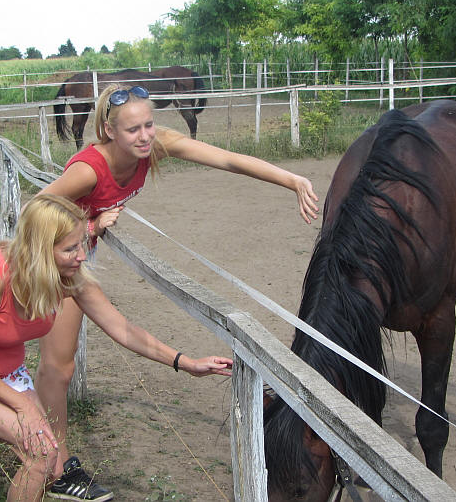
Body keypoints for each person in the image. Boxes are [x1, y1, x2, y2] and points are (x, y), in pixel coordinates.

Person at [35, 83, 322, 491]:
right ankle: (56, 467)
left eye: (149, 124)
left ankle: (51, 460)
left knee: (58, 365)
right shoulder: (88, 170)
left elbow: (227, 159)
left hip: (78, 254)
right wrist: (91, 226)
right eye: (133, 129)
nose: (145, 136)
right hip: (53, 258)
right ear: (109, 130)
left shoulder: (155, 146)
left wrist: (291, 179)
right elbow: (35, 211)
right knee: (57, 367)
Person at [0, 193, 232, 501]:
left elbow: (122, 329)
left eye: (81, 244)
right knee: (41, 453)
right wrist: (23, 406)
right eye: (70, 248)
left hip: (6, 370)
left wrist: (187, 363)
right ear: (41, 250)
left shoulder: (68, 278)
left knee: (53, 468)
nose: (82, 256)